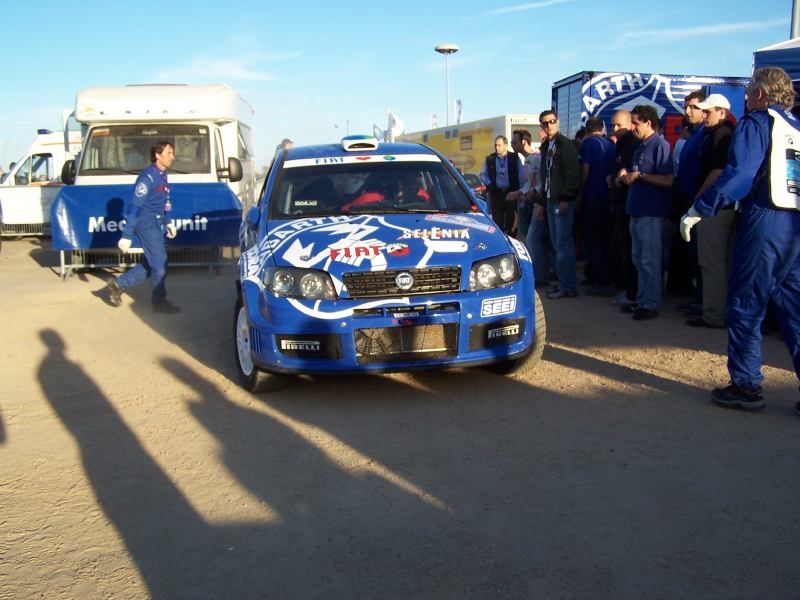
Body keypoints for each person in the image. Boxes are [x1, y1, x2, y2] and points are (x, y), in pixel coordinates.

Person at [681, 67, 800, 415]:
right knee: (795, 308)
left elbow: (741, 174)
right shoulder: (795, 127)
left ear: (760, 94)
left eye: (749, 89)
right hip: (795, 223)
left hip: (767, 219)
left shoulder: (758, 123)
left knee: (747, 303)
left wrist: (702, 207)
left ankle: (746, 385)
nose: (746, 95)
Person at [105, 142, 179, 313]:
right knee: (159, 264)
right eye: (169, 153)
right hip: (145, 223)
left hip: (156, 222)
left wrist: (167, 221)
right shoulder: (148, 178)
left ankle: (118, 284)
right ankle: (159, 303)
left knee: (152, 263)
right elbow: (135, 207)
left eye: (173, 153)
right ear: (158, 156)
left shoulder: (162, 175)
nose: (172, 157)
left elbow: (163, 202)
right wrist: (126, 235)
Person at [618, 105, 673, 320]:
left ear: (648, 122)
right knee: (639, 259)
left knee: (650, 260)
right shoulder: (641, 146)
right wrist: (627, 175)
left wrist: (640, 176)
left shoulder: (659, 145)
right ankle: (641, 300)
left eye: (636, 123)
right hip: (637, 211)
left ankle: (650, 304)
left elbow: (668, 179)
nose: (632, 127)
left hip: (650, 212)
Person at [687, 94, 736, 329]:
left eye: (708, 112)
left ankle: (713, 314)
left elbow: (717, 172)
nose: (703, 115)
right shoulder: (715, 135)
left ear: (722, 112)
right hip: (720, 206)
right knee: (717, 262)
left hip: (714, 207)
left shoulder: (721, 136)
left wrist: (697, 202)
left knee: (711, 262)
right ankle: (716, 310)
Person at [537, 109, 580, 299]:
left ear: (558, 121)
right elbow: (545, 176)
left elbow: (572, 174)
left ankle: (568, 286)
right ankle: (563, 283)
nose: (549, 125)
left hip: (561, 201)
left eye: (552, 121)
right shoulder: (547, 146)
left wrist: (566, 198)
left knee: (563, 246)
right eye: (545, 123)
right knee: (556, 245)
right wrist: (541, 201)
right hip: (549, 199)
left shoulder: (566, 145)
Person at [578, 117, 616, 296]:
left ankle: (601, 281)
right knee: (604, 240)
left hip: (592, 197)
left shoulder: (588, 144)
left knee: (593, 241)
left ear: (587, 130)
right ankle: (605, 277)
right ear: (603, 128)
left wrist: (580, 190)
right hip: (607, 198)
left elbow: (585, 168)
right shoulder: (610, 144)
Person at [608, 110, 641, 307]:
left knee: (630, 252)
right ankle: (628, 289)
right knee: (621, 250)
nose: (615, 129)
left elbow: (630, 172)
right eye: (613, 125)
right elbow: (617, 169)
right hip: (619, 204)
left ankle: (633, 292)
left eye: (619, 125)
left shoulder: (633, 144)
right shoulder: (620, 144)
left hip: (629, 205)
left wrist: (621, 177)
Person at [479, 135, 524, 234]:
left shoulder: (514, 158)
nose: (497, 147)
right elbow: (483, 174)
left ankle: (511, 240)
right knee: (497, 222)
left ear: (505, 146)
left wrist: (520, 192)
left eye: (499, 145)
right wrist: (490, 185)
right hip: (496, 194)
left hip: (511, 194)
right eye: (495, 145)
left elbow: (521, 176)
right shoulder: (490, 159)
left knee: (511, 222)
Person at [507, 129, 536, 240]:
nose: (512, 146)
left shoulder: (535, 158)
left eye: (514, 143)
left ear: (523, 142)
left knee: (531, 238)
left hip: (534, 204)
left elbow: (535, 184)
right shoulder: (527, 159)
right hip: (526, 204)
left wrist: (519, 193)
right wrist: (517, 193)